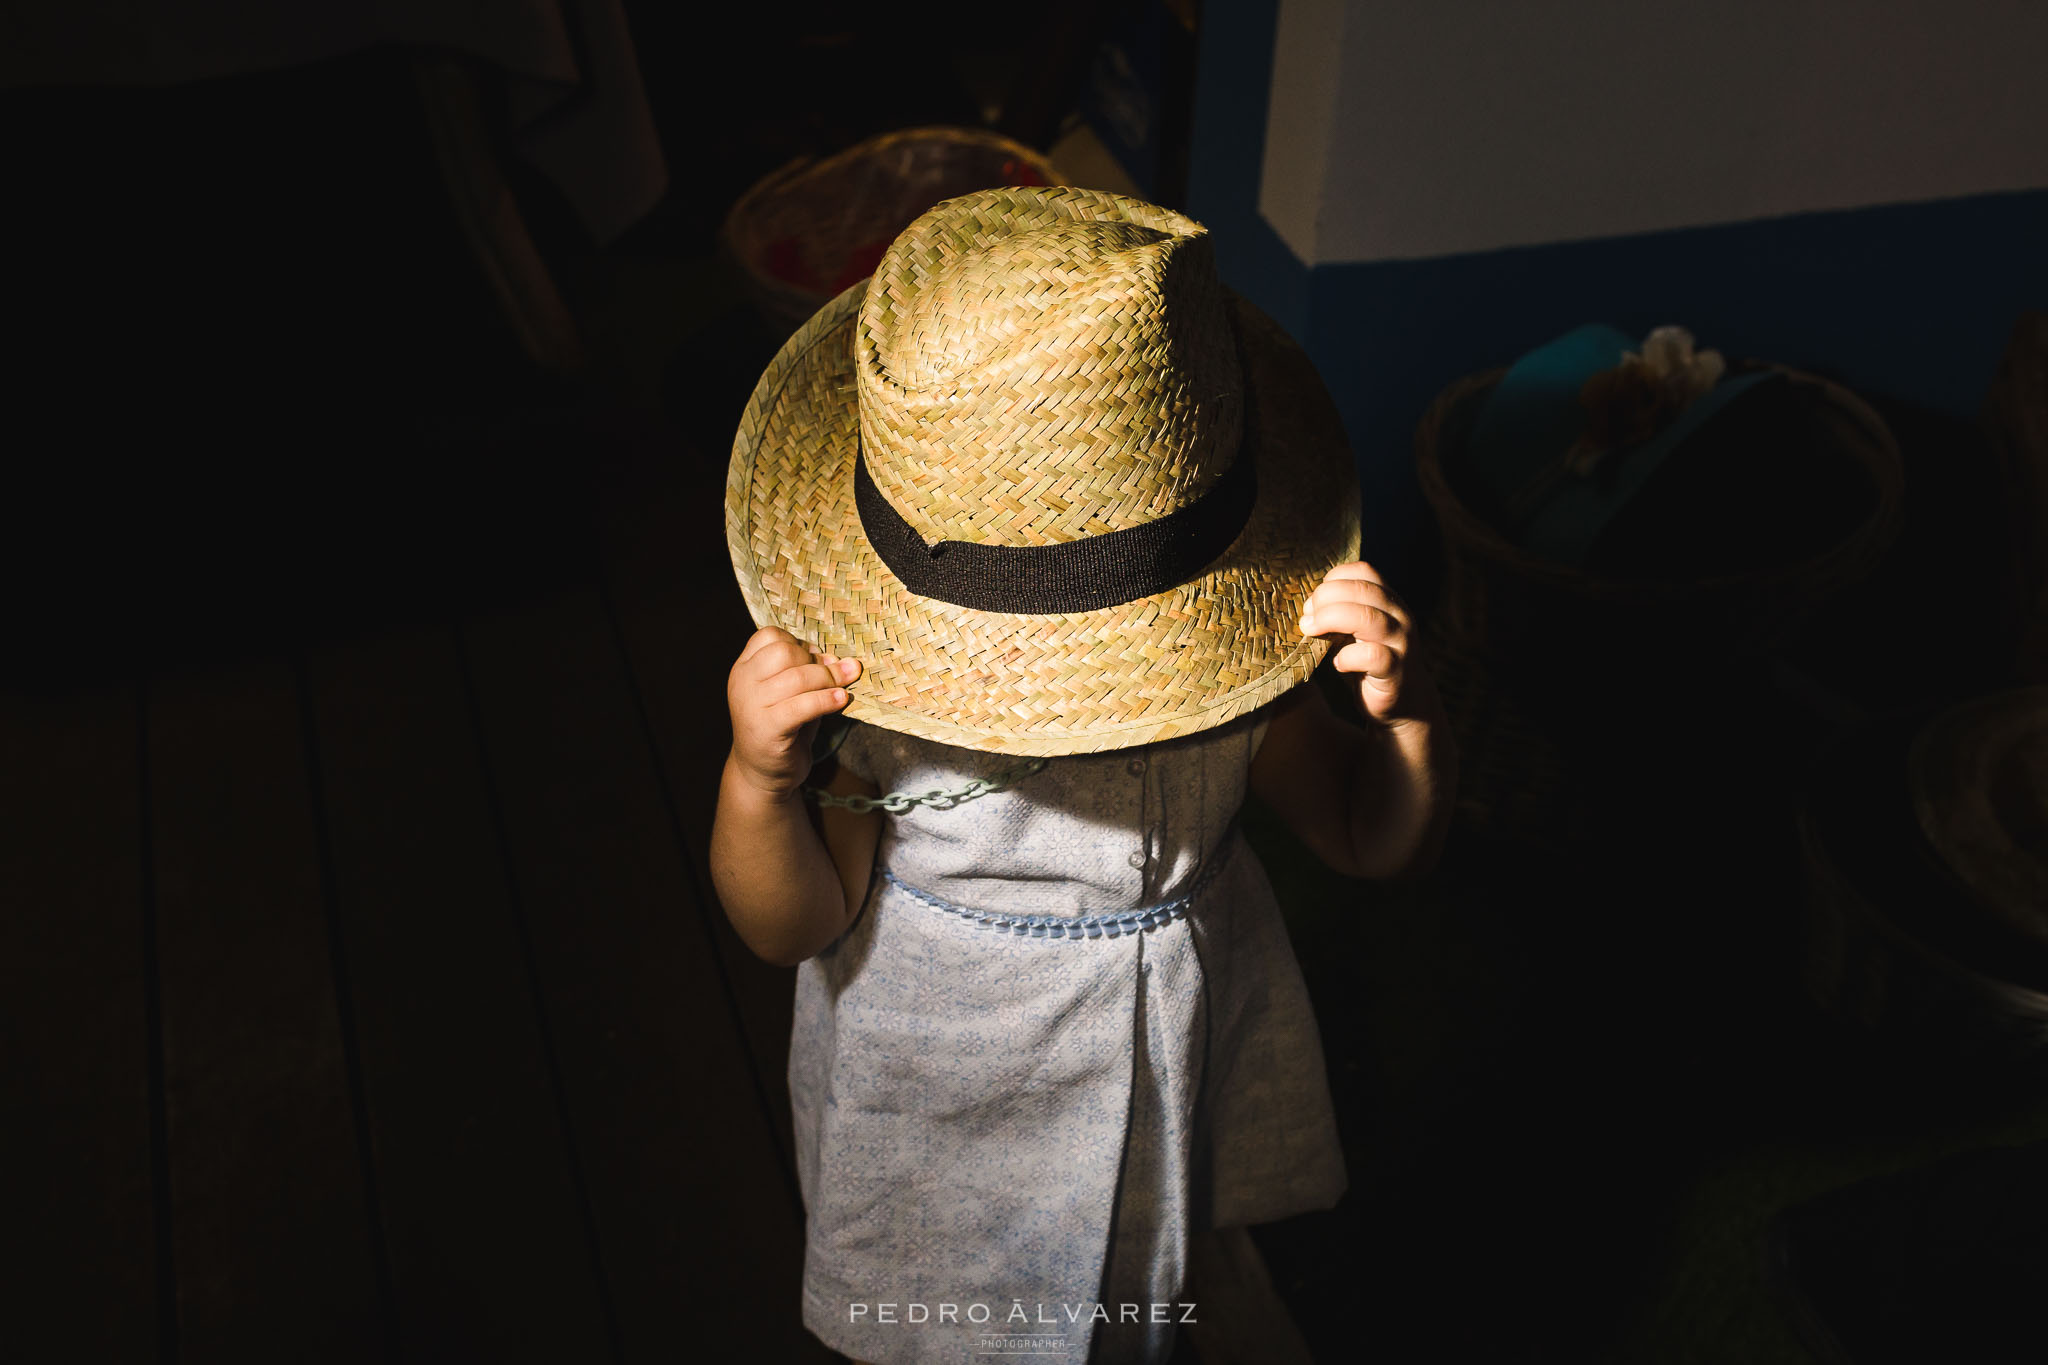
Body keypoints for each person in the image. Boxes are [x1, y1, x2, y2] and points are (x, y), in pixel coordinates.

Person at [711, 185, 1456, 1364]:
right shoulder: (885, 702)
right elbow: (791, 924)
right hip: (953, 1100)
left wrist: (1405, 721)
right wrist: (758, 785)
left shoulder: (1237, 659)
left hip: (1166, 1063)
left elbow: (1369, 839)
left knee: (1146, 1277)